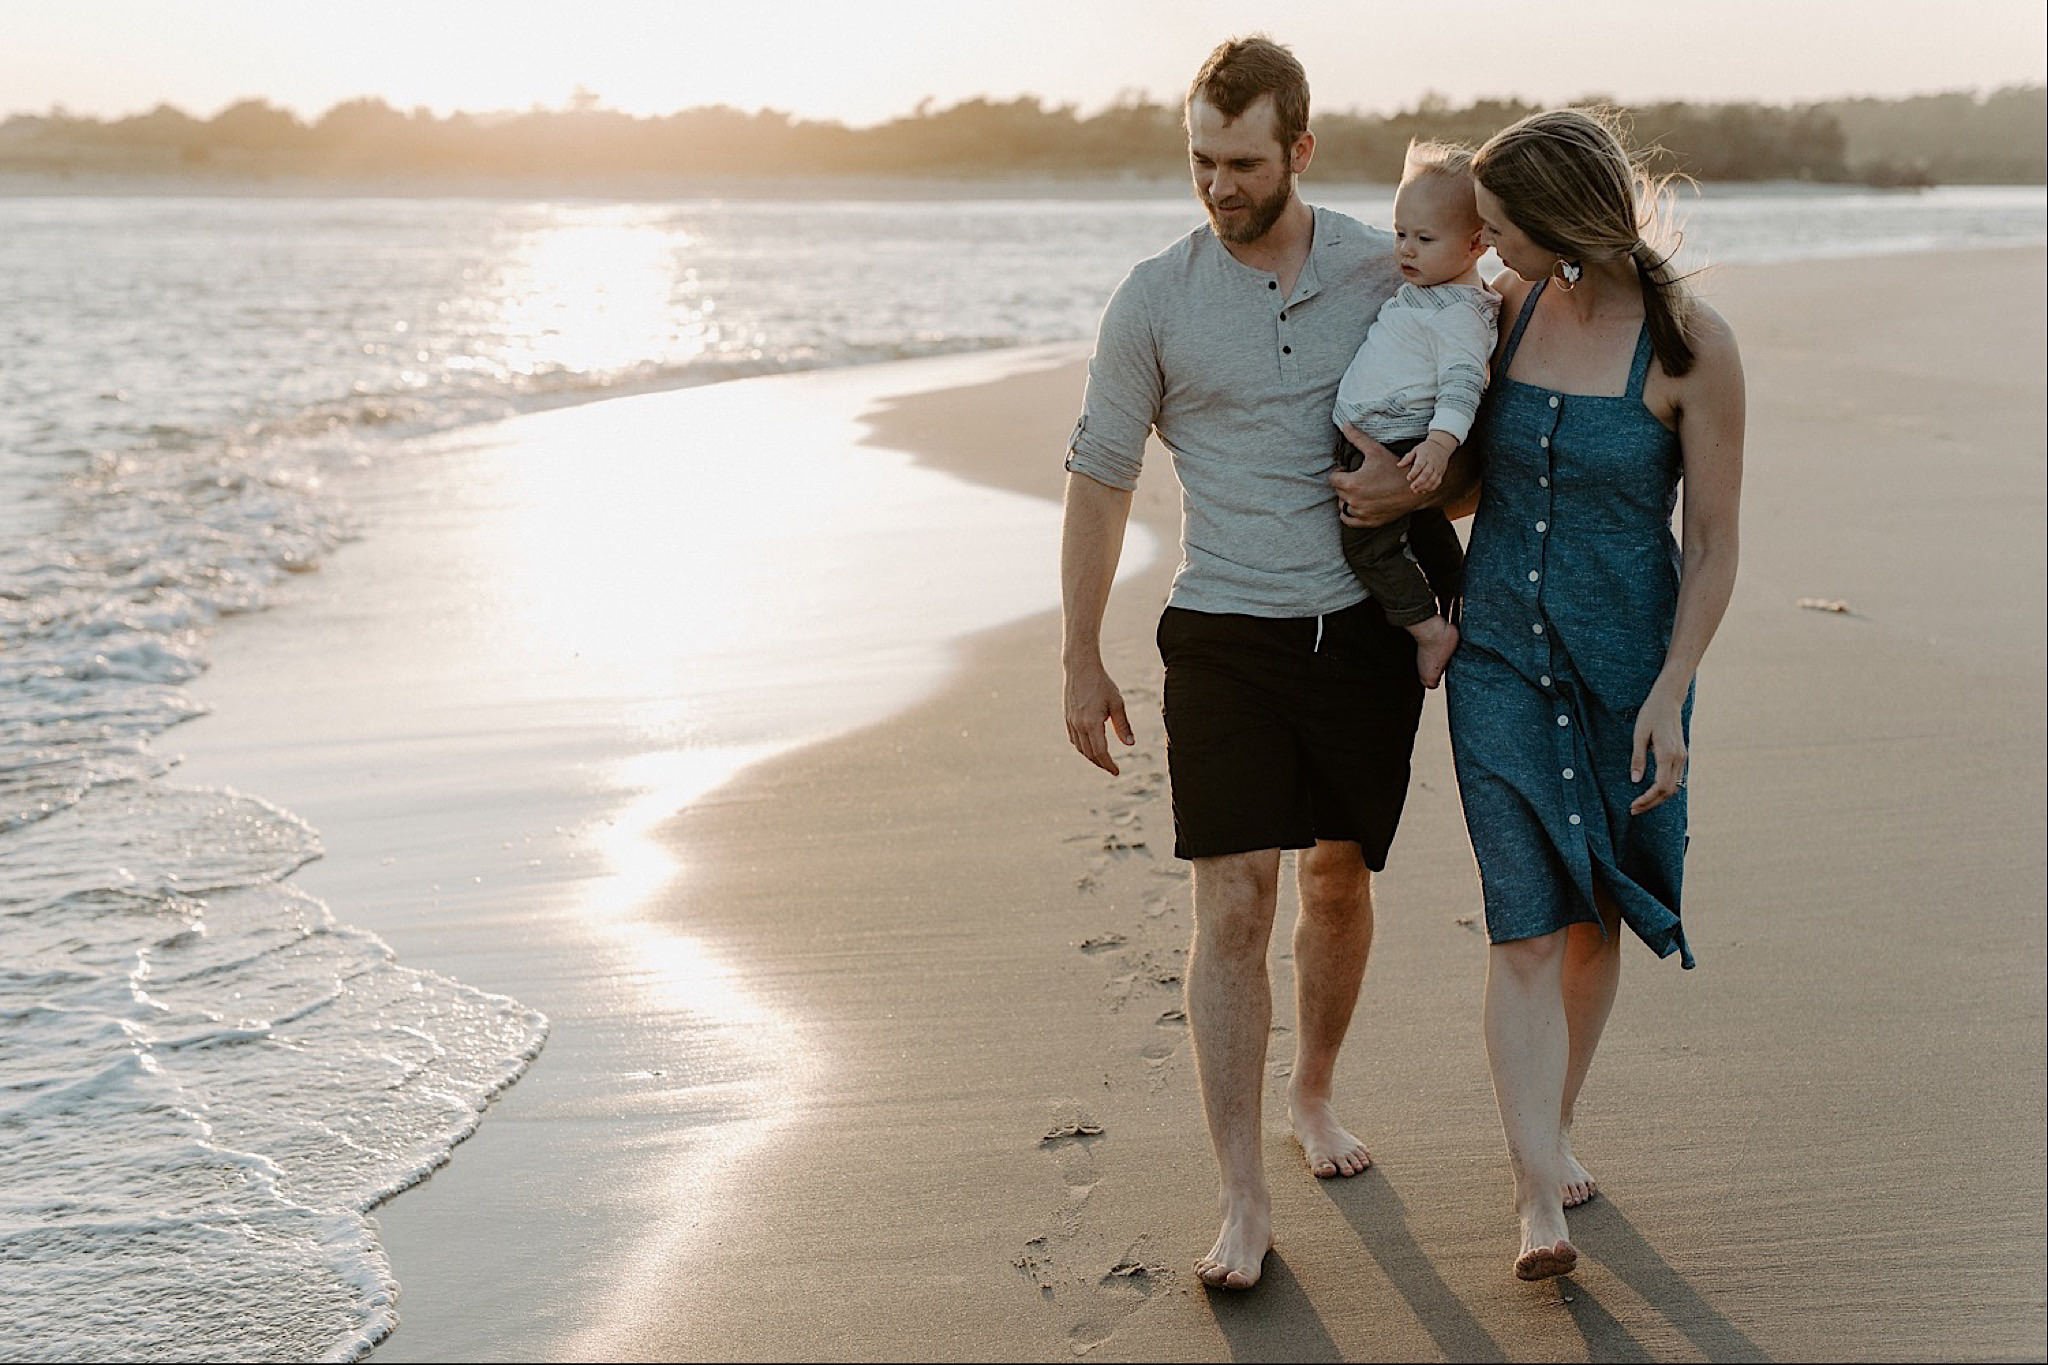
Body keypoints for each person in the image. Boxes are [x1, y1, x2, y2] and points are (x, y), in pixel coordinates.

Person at [1059, 35, 1469, 1292]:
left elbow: (1468, 442)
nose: (1216, 185)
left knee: (1337, 881)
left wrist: (1413, 493)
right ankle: (1239, 1197)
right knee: (1232, 897)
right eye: (1197, 160)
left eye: (1240, 162)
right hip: (1222, 635)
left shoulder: (1382, 271)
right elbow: (1100, 480)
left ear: (1298, 149)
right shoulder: (1155, 296)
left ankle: (1314, 1094)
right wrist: (1079, 654)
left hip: (1358, 635)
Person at [1446, 107, 1745, 1281]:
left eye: (1500, 226)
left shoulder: (1691, 348)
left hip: (1629, 674)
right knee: (1521, 921)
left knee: (1592, 920)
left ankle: (1550, 1125)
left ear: (1559, 223)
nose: (1485, 245)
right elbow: (1471, 476)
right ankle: (1535, 1193)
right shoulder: (1504, 309)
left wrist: (1671, 689)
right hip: (1499, 665)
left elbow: (1714, 544)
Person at [1330, 139, 1499, 688]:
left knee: (1367, 542)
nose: (1406, 250)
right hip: (1388, 433)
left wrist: (1441, 444)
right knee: (1424, 529)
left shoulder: (1461, 314)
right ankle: (1459, 594)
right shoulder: (1429, 288)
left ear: (1477, 244)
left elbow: (1463, 382)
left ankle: (1428, 629)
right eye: (1400, 233)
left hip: (1403, 439)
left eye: (1425, 239)